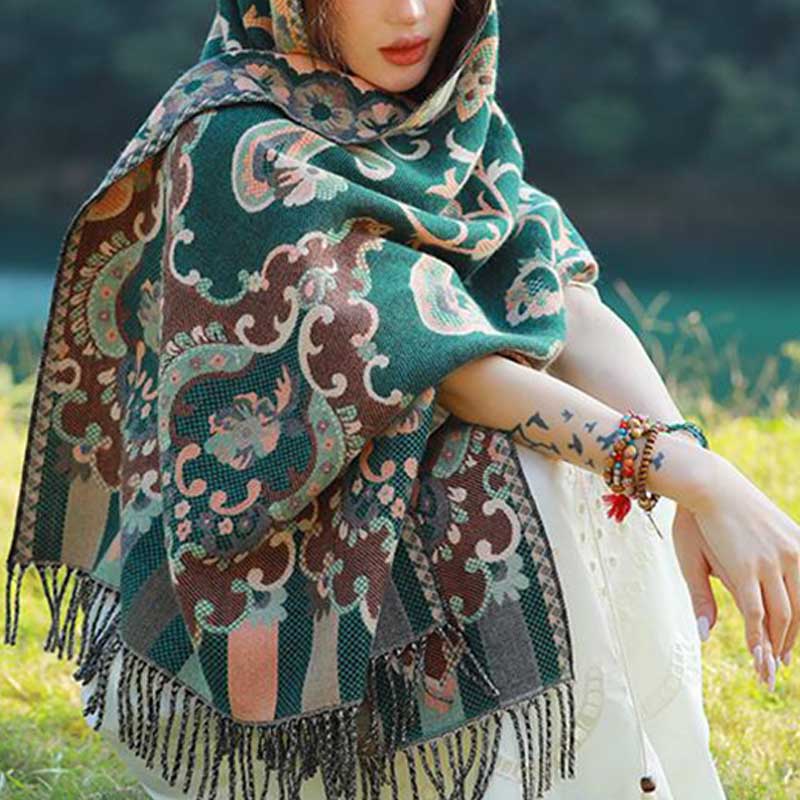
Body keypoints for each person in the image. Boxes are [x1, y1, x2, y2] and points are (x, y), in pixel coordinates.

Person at [7, 2, 799, 800]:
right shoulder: (235, 138)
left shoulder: (446, 118)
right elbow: (440, 363)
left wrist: (688, 461)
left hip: (393, 550)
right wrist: (693, 478)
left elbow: (563, 305)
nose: (412, 12)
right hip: (266, 620)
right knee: (532, 459)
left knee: (610, 449)